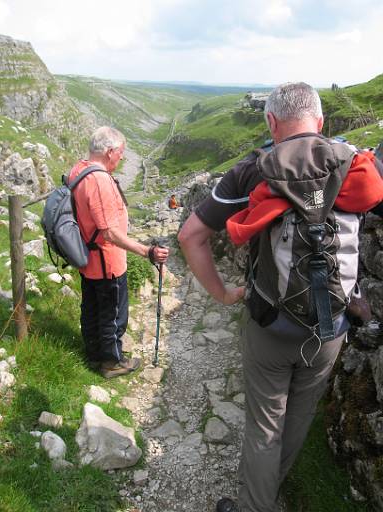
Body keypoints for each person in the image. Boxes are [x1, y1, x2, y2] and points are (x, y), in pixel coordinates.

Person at [178, 83, 383, 512]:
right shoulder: (356, 167)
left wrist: (223, 294)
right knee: (299, 418)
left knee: (264, 424)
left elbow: (191, 236)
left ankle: (255, 505)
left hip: (271, 322)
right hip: (332, 327)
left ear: (271, 122)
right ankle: (272, 494)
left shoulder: (253, 170)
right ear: (321, 122)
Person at [69, 126, 169, 379]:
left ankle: (93, 353)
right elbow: (109, 233)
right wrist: (146, 251)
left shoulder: (79, 169)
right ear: (110, 151)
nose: (122, 157)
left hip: (87, 259)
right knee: (113, 315)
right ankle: (112, 362)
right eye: (121, 152)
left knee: (91, 307)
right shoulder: (100, 180)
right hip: (107, 263)